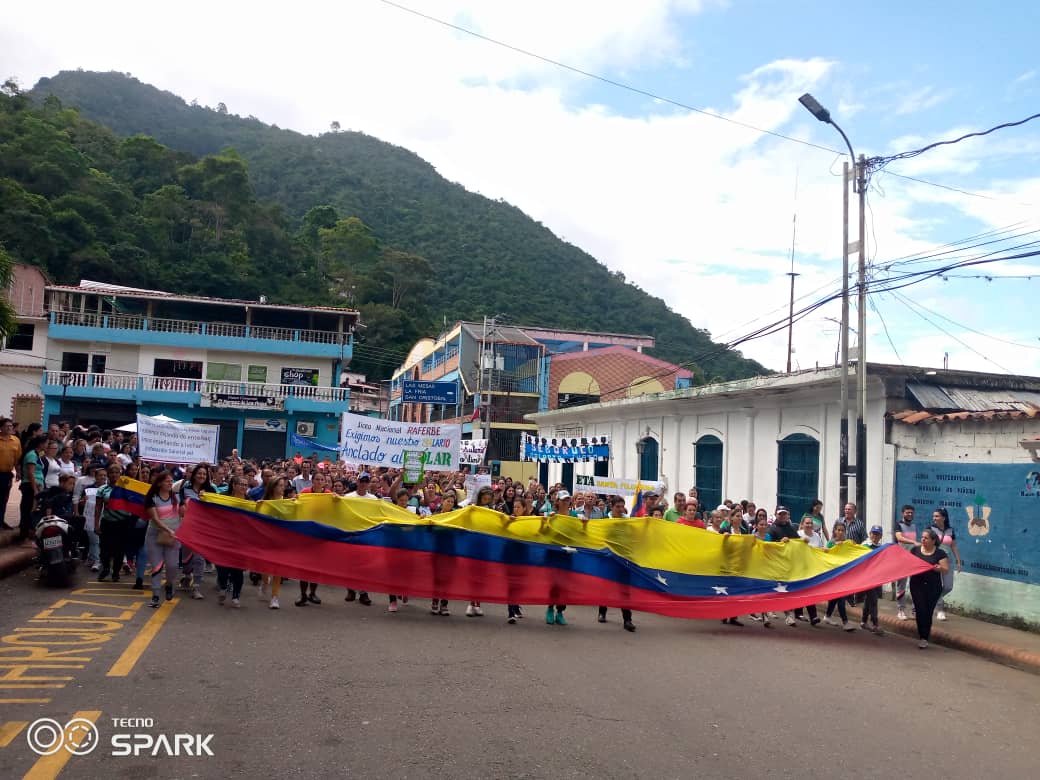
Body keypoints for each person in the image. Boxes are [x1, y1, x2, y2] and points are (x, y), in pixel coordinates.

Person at [597, 497, 636, 631]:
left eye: (622, 506)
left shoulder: (628, 522)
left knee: (624, 590)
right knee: (605, 587)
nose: (620, 509)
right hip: (608, 559)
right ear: (611, 507)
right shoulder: (605, 521)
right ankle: (602, 611)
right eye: (617, 507)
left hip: (623, 560)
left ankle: (627, 619)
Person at [144, 471, 181, 608]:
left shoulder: (176, 497)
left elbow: (185, 511)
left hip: (174, 536)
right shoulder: (151, 498)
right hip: (155, 535)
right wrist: (168, 530)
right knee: (157, 566)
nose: (170, 483)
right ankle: (155, 595)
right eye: (167, 481)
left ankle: (170, 585)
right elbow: (155, 518)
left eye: (171, 481)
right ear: (159, 483)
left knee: (172, 565)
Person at [908, 528, 949, 649]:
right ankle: (922, 637)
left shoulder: (940, 553)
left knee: (928, 612)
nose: (923, 540)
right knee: (920, 610)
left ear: (933, 540)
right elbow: (908, 564)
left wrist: (938, 568)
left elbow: (945, 569)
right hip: (917, 585)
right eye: (922, 537)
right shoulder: (915, 550)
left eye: (926, 538)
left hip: (933, 587)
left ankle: (925, 636)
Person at [178, 464, 214, 599]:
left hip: (203, 529)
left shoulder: (211, 490)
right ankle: (187, 575)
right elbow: (180, 505)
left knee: (199, 558)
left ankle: (196, 587)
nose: (202, 476)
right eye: (199, 473)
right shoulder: (185, 489)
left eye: (204, 474)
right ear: (194, 475)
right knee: (186, 556)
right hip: (187, 527)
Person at [343, 473, 379, 606]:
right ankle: (350, 589)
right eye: (362, 481)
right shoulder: (348, 497)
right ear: (357, 482)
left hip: (366, 534)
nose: (364, 483)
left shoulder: (374, 499)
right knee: (351, 564)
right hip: (352, 533)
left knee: (365, 565)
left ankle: (363, 592)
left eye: (366, 481)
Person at [94, 463, 131, 581]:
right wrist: (96, 524)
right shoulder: (102, 489)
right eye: (112, 473)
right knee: (104, 548)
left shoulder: (126, 489)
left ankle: (116, 572)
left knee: (119, 550)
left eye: (117, 472)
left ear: (120, 474)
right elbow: (98, 508)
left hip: (122, 523)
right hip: (107, 522)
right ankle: (105, 568)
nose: (114, 475)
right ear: (108, 475)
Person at [217, 476, 249, 608]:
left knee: (238, 569)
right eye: (241, 484)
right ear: (234, 485)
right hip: (225, 538)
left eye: (246, 485)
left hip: (242, 539)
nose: (243, 487)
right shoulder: (224, 497)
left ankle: (236, 596)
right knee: (223, 566)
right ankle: (223, 587)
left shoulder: (250, 502)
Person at [258, 476, 288, 609]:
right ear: (273, 487)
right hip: (266, 539)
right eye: (280, 485)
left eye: (283, 485)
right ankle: (264, 581)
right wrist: (258, 507)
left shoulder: (287, 502)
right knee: (264, 566)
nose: (283, 488)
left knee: (278, 568)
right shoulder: (265, 502)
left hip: (281, 540)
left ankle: (275, 597)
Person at [823, 522, 857, 631]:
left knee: (835, 598)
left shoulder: (847, 543)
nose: (840, 532)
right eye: (838, 530)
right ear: (834, 531)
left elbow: (854, 554)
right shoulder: (830, 543)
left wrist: (853, 545)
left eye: (842, 530)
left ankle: (827, 616)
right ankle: (845, 622)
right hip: (833, 575)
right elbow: (825, 556)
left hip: (844, 575)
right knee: (841, 598)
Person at [930, 508, 962, 621]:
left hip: (948, 561)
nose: (934, 518)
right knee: (938, 585)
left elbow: (953, 546)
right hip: (935, 561)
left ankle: (933, 599)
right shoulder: (931, 529)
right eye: (934, 516)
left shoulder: (950, 530)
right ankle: (940, 610)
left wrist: (958, 561)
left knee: (948, 586)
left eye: (937, 516)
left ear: (944, 518)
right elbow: (926, 543)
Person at [19, 434, 47, 540]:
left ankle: (28, 534)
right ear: (41, 444)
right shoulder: (32, 455)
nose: (47, 445)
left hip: (37, 485)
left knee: (33, 510)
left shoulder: (37, 454)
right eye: (46, 443)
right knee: (27, 509)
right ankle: (24, 535)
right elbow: (31, 473)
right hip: (30, 486)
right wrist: (35, 489)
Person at [893, 504, 918, 621]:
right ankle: (901, 610)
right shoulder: (898, 525)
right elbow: (899, 538)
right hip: (901, 559)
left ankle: (915, 610)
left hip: (912, 559)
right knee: (901, 586)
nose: (910, 514)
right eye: (908, 512)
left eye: (912, 512)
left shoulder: (913, 526)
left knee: (915, 585)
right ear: (903, 513)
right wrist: (914, 542)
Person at [859, 525, 884, 634]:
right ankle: (875, 624)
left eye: (877, 534)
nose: (875, 536)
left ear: (881, 536)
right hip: (866, 577)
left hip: (877, 578)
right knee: (873, 600)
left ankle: (864, 622)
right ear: (870, 534)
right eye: (873, 533)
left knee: (869, 600)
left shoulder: (881, 548)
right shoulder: (864, 545)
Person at [0, 418, 21, 529]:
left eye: (11, 426)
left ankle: (1, 521)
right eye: (7, 426)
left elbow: (17, 458)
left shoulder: (16, 440)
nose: (9, 428)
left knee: (4, 498)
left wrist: (18, 472)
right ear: (1, 427)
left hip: (7, 474)